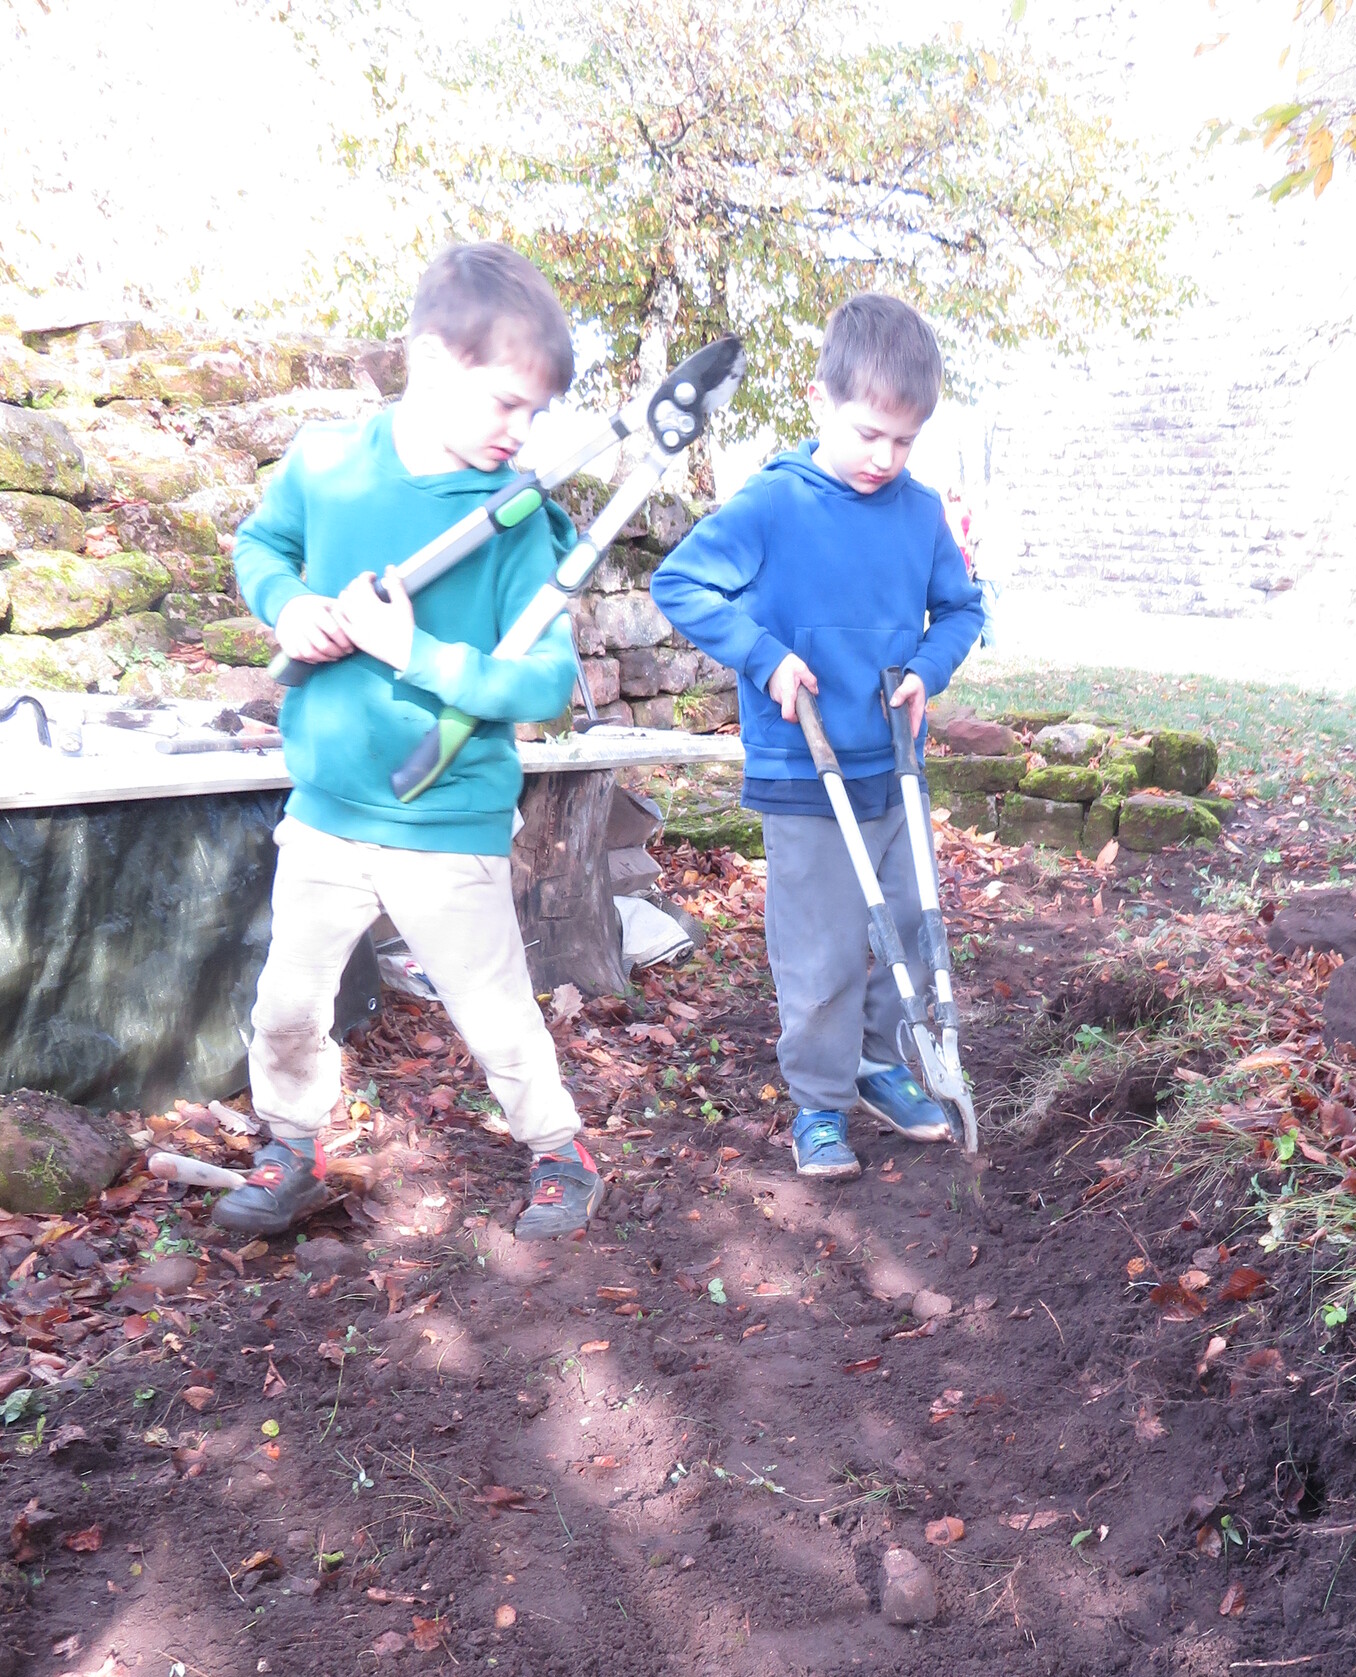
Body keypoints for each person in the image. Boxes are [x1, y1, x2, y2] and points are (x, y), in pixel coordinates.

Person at [221, 242, 602, 1243]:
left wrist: (416, 652)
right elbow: (260, 546)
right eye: (506, 403)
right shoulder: (327, 463)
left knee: (495, 1013)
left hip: (446, 813)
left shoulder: (513, 521)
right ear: (432, 361)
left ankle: (559, 1152)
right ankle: (291, 1148)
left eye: (536, 414)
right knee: (288, 1002)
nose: (521, 432)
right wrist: (288, 604)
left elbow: (546, 682)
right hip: (327, 808)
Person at [649, 293, 984, 1180]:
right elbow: (681, 584)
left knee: (907, 926)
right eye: (868, 433)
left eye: (905, 441)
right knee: (824, 947)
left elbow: (961, 609)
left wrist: (928, 667)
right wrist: (764, 659)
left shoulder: (919, 513)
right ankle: (820, 1103)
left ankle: (881, 1065)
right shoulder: (774, 503)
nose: (885, 458)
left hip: (893, 767)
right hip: (805, 769)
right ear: (818, 401)